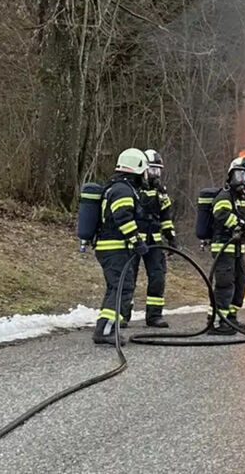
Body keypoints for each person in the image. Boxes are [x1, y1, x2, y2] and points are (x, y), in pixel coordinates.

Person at [92, 148, 150, 346]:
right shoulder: (123, 190)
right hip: (114, 248)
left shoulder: (117, 187)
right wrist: (137, 240)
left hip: (111, 248)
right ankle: (104, 330)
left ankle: (106, 327)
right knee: (121, 287)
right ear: (137, 169)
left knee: (115, 287)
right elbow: (122, 217)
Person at [208, 156, 245, 335]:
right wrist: (242, 224)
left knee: (240, 283)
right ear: (231, 176)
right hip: (223, 247)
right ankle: (217, 322)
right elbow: (221, 214)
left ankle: (231, 318)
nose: (242, 180)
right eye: (238, 175)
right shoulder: (225, 196)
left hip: (237, 249)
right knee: (225, 284)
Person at [138, 149, 177, 328]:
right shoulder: (134, 188)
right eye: (152, 170)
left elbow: (166, 216)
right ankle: (122, 315)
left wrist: (171, 237)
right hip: (134, 241)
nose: (155, 174)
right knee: (127, 277)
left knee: (158, 276)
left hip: (154, 242)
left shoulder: (161, 191)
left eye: (158, 170)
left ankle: (154, 316)